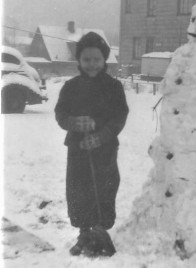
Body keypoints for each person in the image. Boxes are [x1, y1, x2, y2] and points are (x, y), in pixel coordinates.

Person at [55, 32, 129, 256]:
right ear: (79, 60)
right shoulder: (71, 86)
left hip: (105, 148)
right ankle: (84, 232)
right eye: (86, 59)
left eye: (96, 59)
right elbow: (60, 113)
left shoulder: (113, 87)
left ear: (104, 59)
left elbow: (120, 116)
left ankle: (100, 230)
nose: (92, 64)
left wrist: (102, 135)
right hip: (77, 148)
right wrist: (73, 122)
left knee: (104, 187)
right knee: (78, 189)